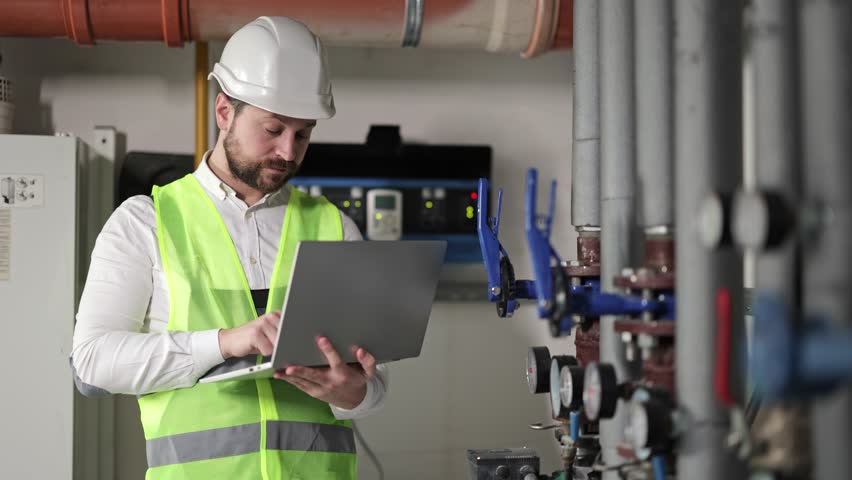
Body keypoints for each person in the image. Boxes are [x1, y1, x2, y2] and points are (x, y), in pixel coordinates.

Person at [71, 16, 387, 479]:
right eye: (273, 129)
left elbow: (372, 386)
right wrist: (222, 343)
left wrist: (351, 393)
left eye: (302, 134)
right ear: (224, 112)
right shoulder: (146, 222)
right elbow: (92, 363)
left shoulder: (335, 228)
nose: (287, 151)